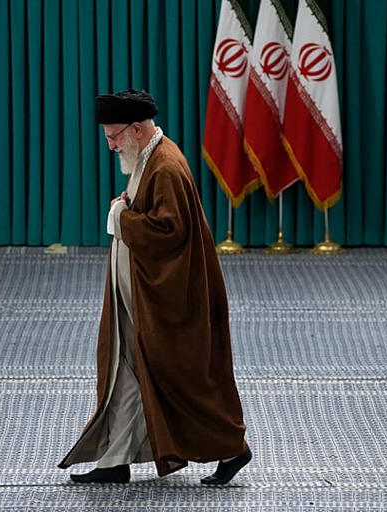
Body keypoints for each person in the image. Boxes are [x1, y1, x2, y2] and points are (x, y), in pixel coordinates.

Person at [58, 89, 251, 485]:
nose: (110, 146)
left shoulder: (165, 166)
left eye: (114, 137)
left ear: (138, 128)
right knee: (125, 370)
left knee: (179, 376)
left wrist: (122, 217)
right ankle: (115, 461)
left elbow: (168, 232)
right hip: (139, 294)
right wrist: (127, 207)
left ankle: (233, 448)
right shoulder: (147, 158)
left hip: (164, 298)